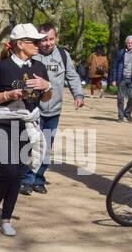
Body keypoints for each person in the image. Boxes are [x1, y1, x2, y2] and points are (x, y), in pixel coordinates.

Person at [0, 23, 52, 237]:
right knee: (8, 171)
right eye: (35, 41)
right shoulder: (3, 67)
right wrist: (8, 95)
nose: (39, 45)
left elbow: (47, 98)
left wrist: (46, 87)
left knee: (19, 173)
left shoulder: (39, 67)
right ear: (21, 44)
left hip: (27, 126)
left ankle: (7, 218)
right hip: (4, 124)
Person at [21, 22, 85, 195]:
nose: (47, 43)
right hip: (34, 110)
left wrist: (78, 95)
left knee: (47, 146)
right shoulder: (31, 55)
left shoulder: (63, 55)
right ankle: (26, 179)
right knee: (32, 144)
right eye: (44, 40)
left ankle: (39, 179)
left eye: (51, 39)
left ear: (55, 38)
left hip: (54, 110)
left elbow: (72, 76)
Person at [110, 34, 132, 122]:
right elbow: (114, 66)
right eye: (128, 43)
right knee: (120, 98)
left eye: (131, 43)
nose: (130, 44)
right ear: (126, 43)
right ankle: (121, 116)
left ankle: (127, 113)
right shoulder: (120, 52)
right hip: (122, 78)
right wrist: (114, 79)